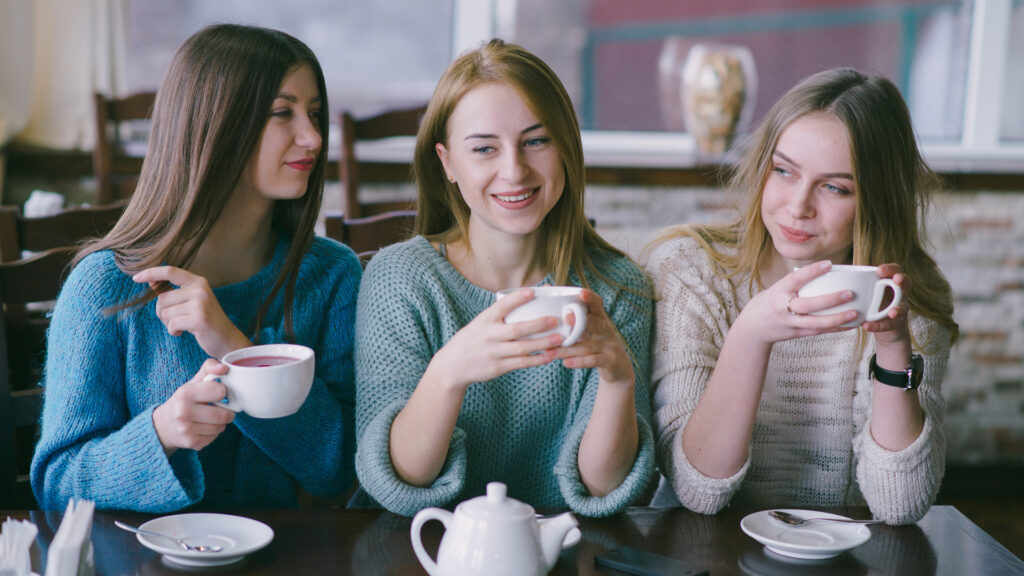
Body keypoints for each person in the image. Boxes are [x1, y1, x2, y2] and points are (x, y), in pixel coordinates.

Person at [30, 24, 361, 512]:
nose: (312, 136)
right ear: (215, 123)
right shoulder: (103, 286)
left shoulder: (334, 275)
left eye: (314, 113)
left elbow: (341, 470)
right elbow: (57, 484)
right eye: (281, 113)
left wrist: (236, 347)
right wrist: (161, 433)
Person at [353, 39, 654, 517]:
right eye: (484, 149)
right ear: (448, 163)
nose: (514, 170)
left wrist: (618, 379)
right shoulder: (400, 278)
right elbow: (402, 480)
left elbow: (604, 489)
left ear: (566, 150)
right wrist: (450, 372)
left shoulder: (617, 287)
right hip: (425, 548)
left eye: (536, 141)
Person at [645, 67, 958, 525]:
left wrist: (893, 347)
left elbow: (900, 505)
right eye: (784, 171)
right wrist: (751, 333)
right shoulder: (690, 270)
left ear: (877, 198)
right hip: (706, 549)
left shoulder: (908, 299)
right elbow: (697, 490)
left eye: (835, 187)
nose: (798, 206)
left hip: (840, 556)